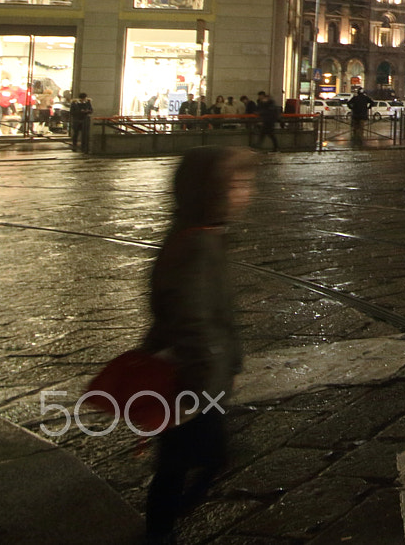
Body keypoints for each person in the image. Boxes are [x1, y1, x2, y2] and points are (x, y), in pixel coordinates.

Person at [142, 146, 256, 542]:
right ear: (211, 191)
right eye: (237, 184)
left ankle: (162, 525)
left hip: (198, 379)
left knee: (184, 462)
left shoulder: (204, 236)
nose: (246, 192)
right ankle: (160, 530)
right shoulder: (195, 245)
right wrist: (204, 387)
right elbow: (193, 322)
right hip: (192, 383)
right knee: (192, 461)